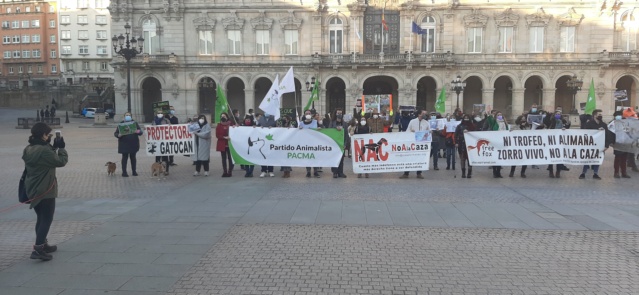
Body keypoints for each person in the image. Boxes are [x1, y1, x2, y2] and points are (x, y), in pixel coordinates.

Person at [22, 122, 68, 261]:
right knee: (46, 219)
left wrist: (53, 146)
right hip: (45, 189)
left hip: (32, 188)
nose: (49, 136)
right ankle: (38, 249)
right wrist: (61, 148)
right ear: (43, 135)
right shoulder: (44, 151)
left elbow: (44, 157)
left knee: (41, 218)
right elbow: (60, 161)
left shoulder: (29, 148)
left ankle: (43, 244)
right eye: (48, 135)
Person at [579, 109, 611, 180]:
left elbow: (607, 135)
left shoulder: (604, 125)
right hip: (590, 146)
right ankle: (583, 173)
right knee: (587, 159)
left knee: (597, 159)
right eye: (599, 114)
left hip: (600, 146)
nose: (600, 116)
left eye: (601, 115)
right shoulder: (589, 124)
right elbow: (585, 134)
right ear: (594, 115)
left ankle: (595, 173)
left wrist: (606, 145)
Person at [400, 109, 430, 179]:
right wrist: (411, 131)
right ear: (419, 114)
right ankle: (406, 173)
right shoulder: (412, 121)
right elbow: (407, 131)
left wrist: (430, 132)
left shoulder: (426, 123)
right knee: (409, 157)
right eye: (423, 113)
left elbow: (428, 131)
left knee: (420, 157)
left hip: (421, 143)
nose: (424, 115)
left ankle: (419, 173)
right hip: (412, 143)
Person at [114, 112, 143, 177]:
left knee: (133, 158)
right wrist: (118, 135)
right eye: (126, 115)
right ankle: (124, 172)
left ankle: (134, 171)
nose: (128, 116)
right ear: (124, 116)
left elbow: (140, 132)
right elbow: (116, 133)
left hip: (133, 143)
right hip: (124, 144)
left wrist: (137, 131)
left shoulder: (134, 123)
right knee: (124, 158)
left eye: (129, 115)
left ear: (131, 116)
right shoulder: (121, 124)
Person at [546, 110, 570, 178]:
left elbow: (567, 128)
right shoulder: (551, 121)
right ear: (554, 114)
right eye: (556, 114)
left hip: (560, 141)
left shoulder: (563, 121)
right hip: (552, 141)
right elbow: (547, 126)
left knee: (559, 157)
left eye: (559, 114)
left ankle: (558, 171)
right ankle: (551, 171)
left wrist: (566, 126)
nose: (558, 115)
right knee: (551, 157)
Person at [486, 111, 509, 178]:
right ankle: (494, 172)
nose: (500, 116)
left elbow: (507, 131)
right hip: (495, 141)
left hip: (502, 142)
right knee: (495, 157)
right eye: (498, 115)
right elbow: (490, 121)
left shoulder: (505, 123)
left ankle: (498, 172)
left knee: (500, 158)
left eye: (501, 114)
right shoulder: (494, 122)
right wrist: (489, 115)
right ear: (496, 116)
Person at [299, 109, 320, 178]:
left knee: (315, 157)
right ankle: (308, 171)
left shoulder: (315, 122)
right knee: (308, 157)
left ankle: (315, 171)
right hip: (306, 143)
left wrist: (319, 128)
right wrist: (299, 129)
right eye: (306, 113)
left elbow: (322, 128)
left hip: (314, 142)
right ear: (304, 115)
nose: (308, 114)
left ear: (311, 115)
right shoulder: (301, 123)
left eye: (309, 113)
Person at [455, 114, 475, 178]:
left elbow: (476, 134)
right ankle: (463, 173)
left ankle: (469, 173)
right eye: (465, 117)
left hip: (470, 144)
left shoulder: (472, 126)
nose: (466, 119)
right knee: (462, 159)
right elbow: (456, 134)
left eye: (467, 117)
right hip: (462, 144)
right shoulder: (459, 126)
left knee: (470, 159)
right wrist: (456, 142)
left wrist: (469, 132)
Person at [330, 110, 348, 178]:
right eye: (338, 113)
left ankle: (341, 172)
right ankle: (335, 172)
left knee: (341, 159)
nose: (339, 114)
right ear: (336, 114)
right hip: (334, 143)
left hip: (341, 144)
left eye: (341, 113)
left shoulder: (345, 124)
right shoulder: (332, 123)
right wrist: (335, 128)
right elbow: (329, 131)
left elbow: (346, 134)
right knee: (334, 158)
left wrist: (345, 144)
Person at [258, 112, 277, 177]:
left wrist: (273, 127)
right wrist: (259, 127)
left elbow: (278, 128)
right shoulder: (261, 118)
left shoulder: (274, 118)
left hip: (271, 140)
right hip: (263, 139)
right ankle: (263, 170)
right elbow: (257, 126)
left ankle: (271, 170)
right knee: (263, 155)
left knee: (271, 155)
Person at [216, 112, 235, 177]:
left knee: (230, 158)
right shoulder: (219, 125)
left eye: (224, 116)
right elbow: (217, 135)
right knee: (223, 159)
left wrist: (236, 127)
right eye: (221, 116)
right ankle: (225, 171)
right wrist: (224, 137)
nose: (223, 117)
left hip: (229, 143)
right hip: (222, 143)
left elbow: (235, 132)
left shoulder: (231, 124)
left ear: (227, 117)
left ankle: (230, 171)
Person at [153, 110, 171, 175]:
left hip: (165, 141)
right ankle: (157, 170)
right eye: (158, 113)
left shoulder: (166, 120)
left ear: (163, 114)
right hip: (157, 141)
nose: (160, 114)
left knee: (165, 157)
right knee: (157, 157)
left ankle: (166, 170)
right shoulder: (154, 121)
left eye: (161, 113)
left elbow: (171, 128)